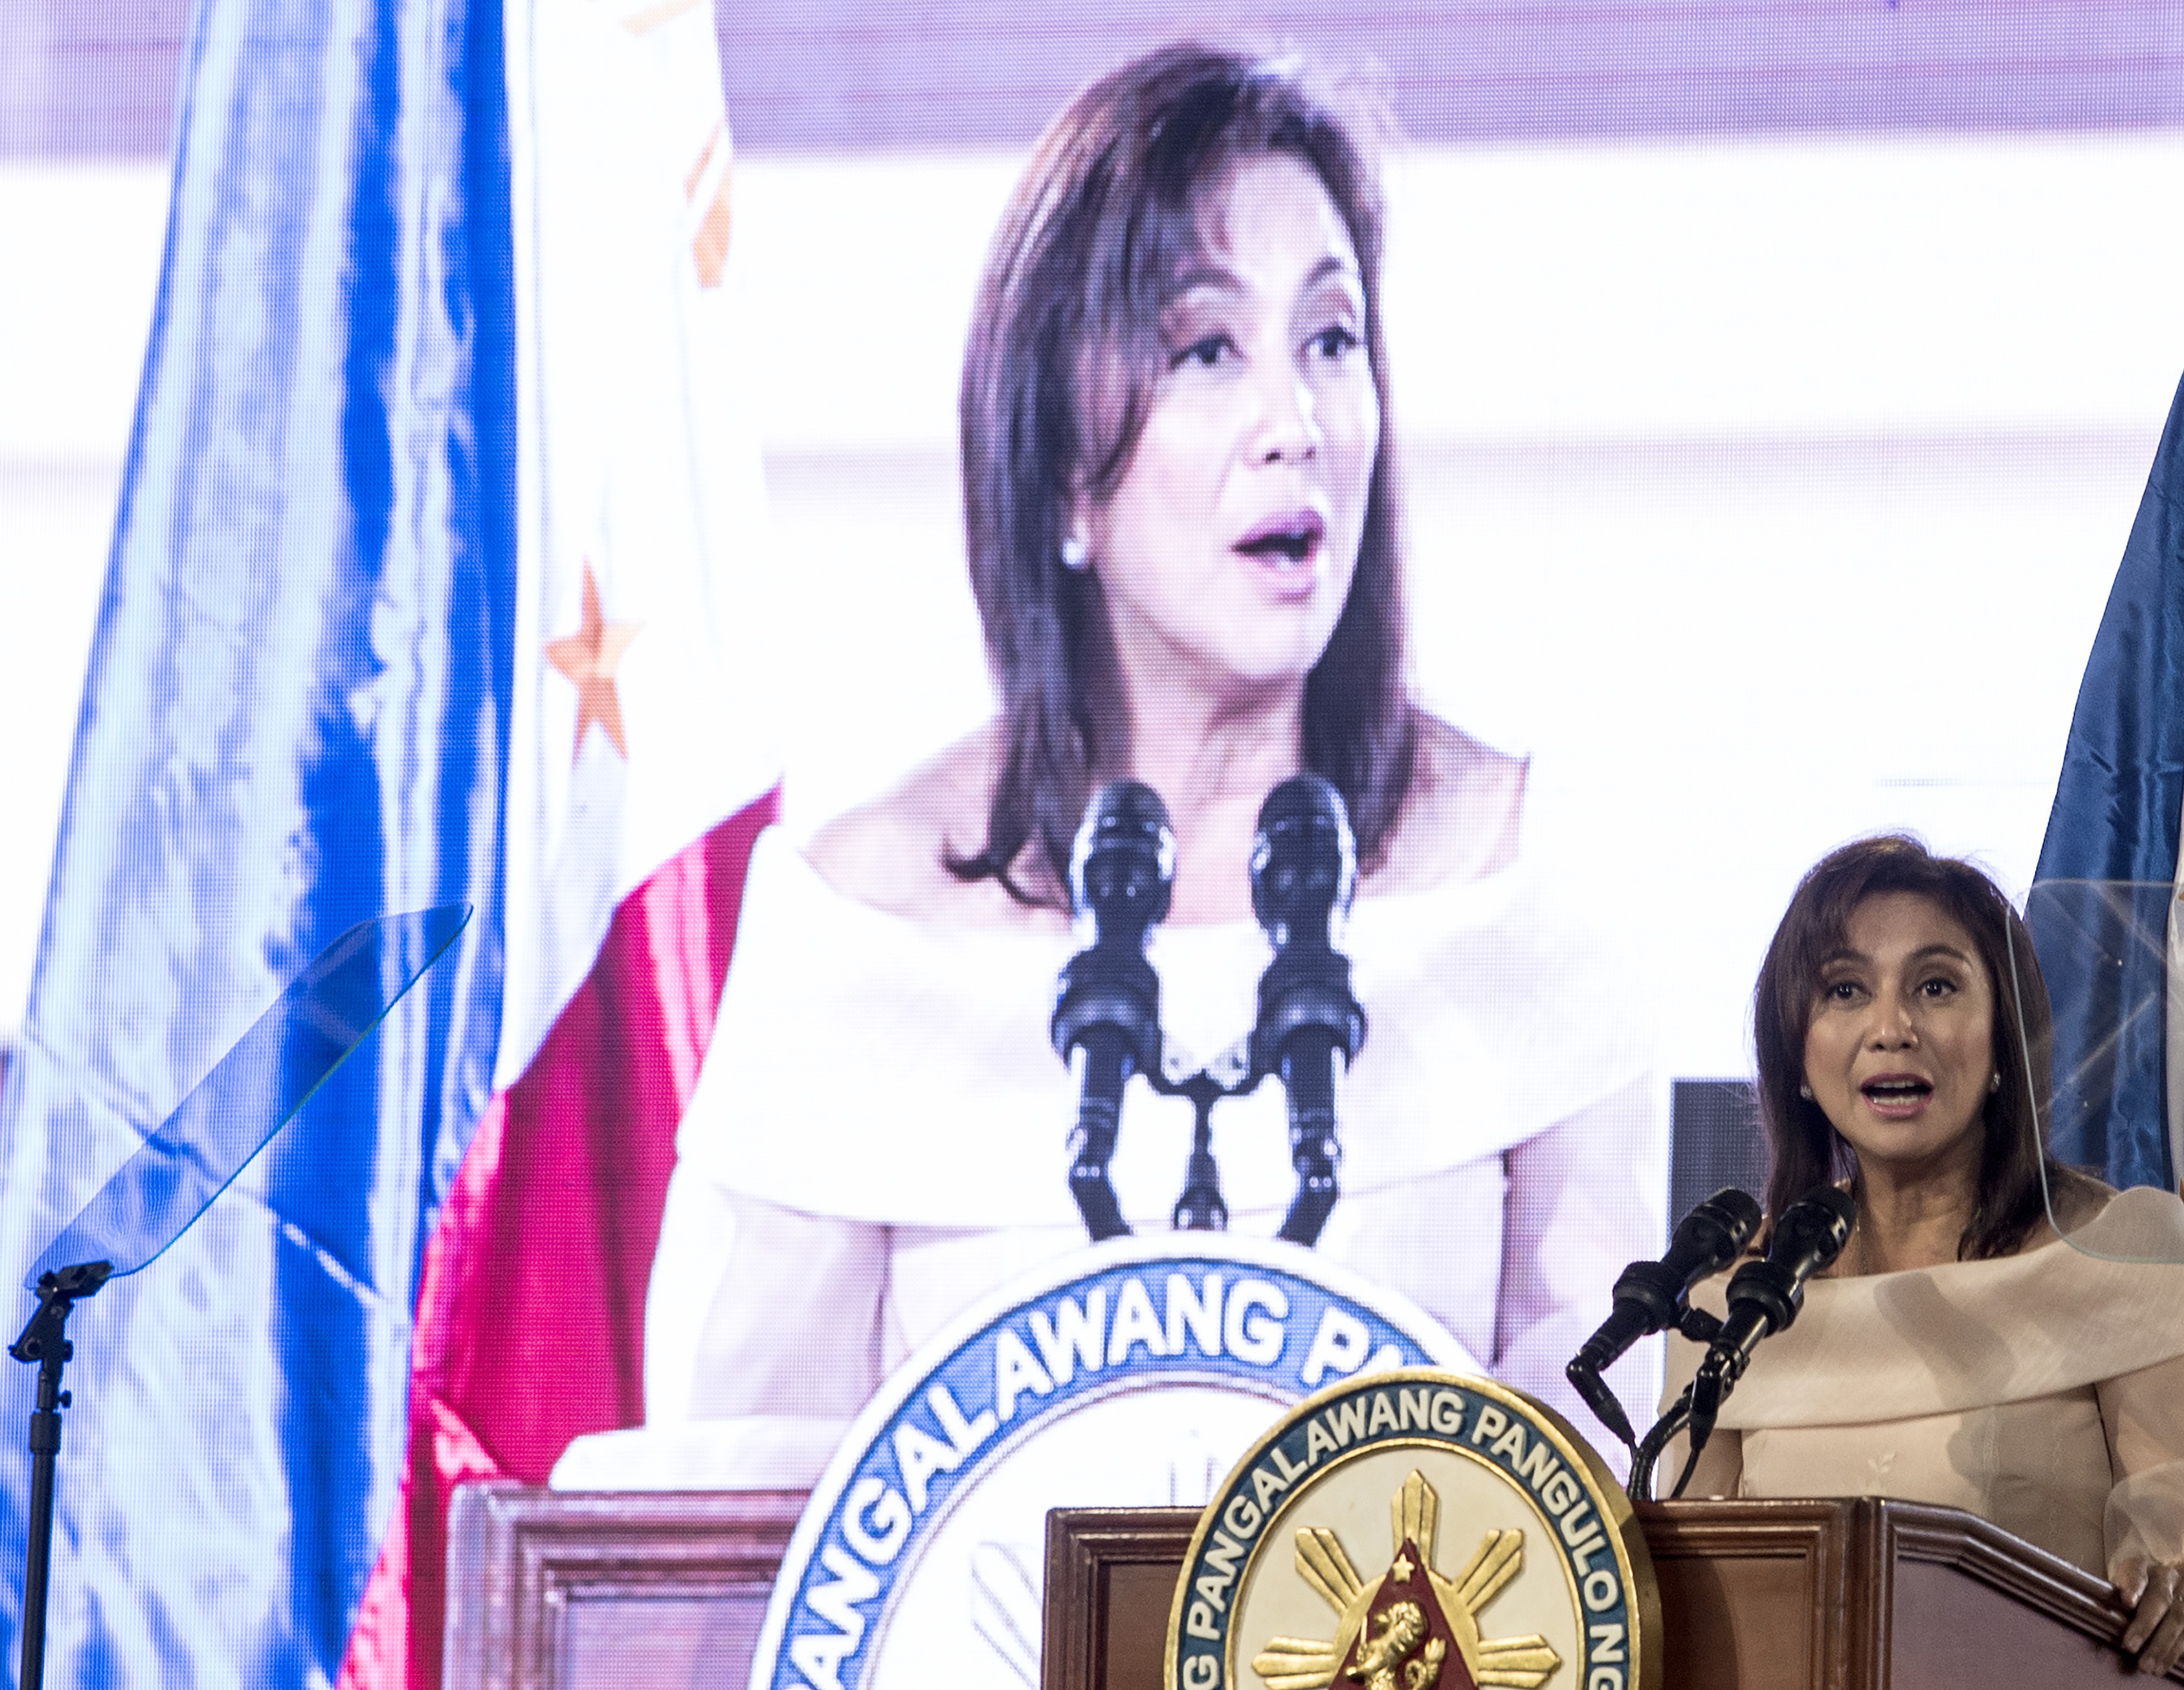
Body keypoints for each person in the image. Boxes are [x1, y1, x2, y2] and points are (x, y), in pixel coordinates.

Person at [637, 44, 1660, 1459]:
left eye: (1330, 340)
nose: (1294, 427)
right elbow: (718, 1549)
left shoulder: (1515, 877)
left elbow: (1612, 1493)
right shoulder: (854, 925)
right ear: (1061, 464)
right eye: (1204, 351)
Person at [1661, 836, 2184, 1675]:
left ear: (2004, 1041)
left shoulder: (2115, 1253)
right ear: (1798, 1052)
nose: (1891, 1029)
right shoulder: (1742, 1302)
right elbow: (1696, 1586)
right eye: (1845, 990)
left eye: (1936, 987)